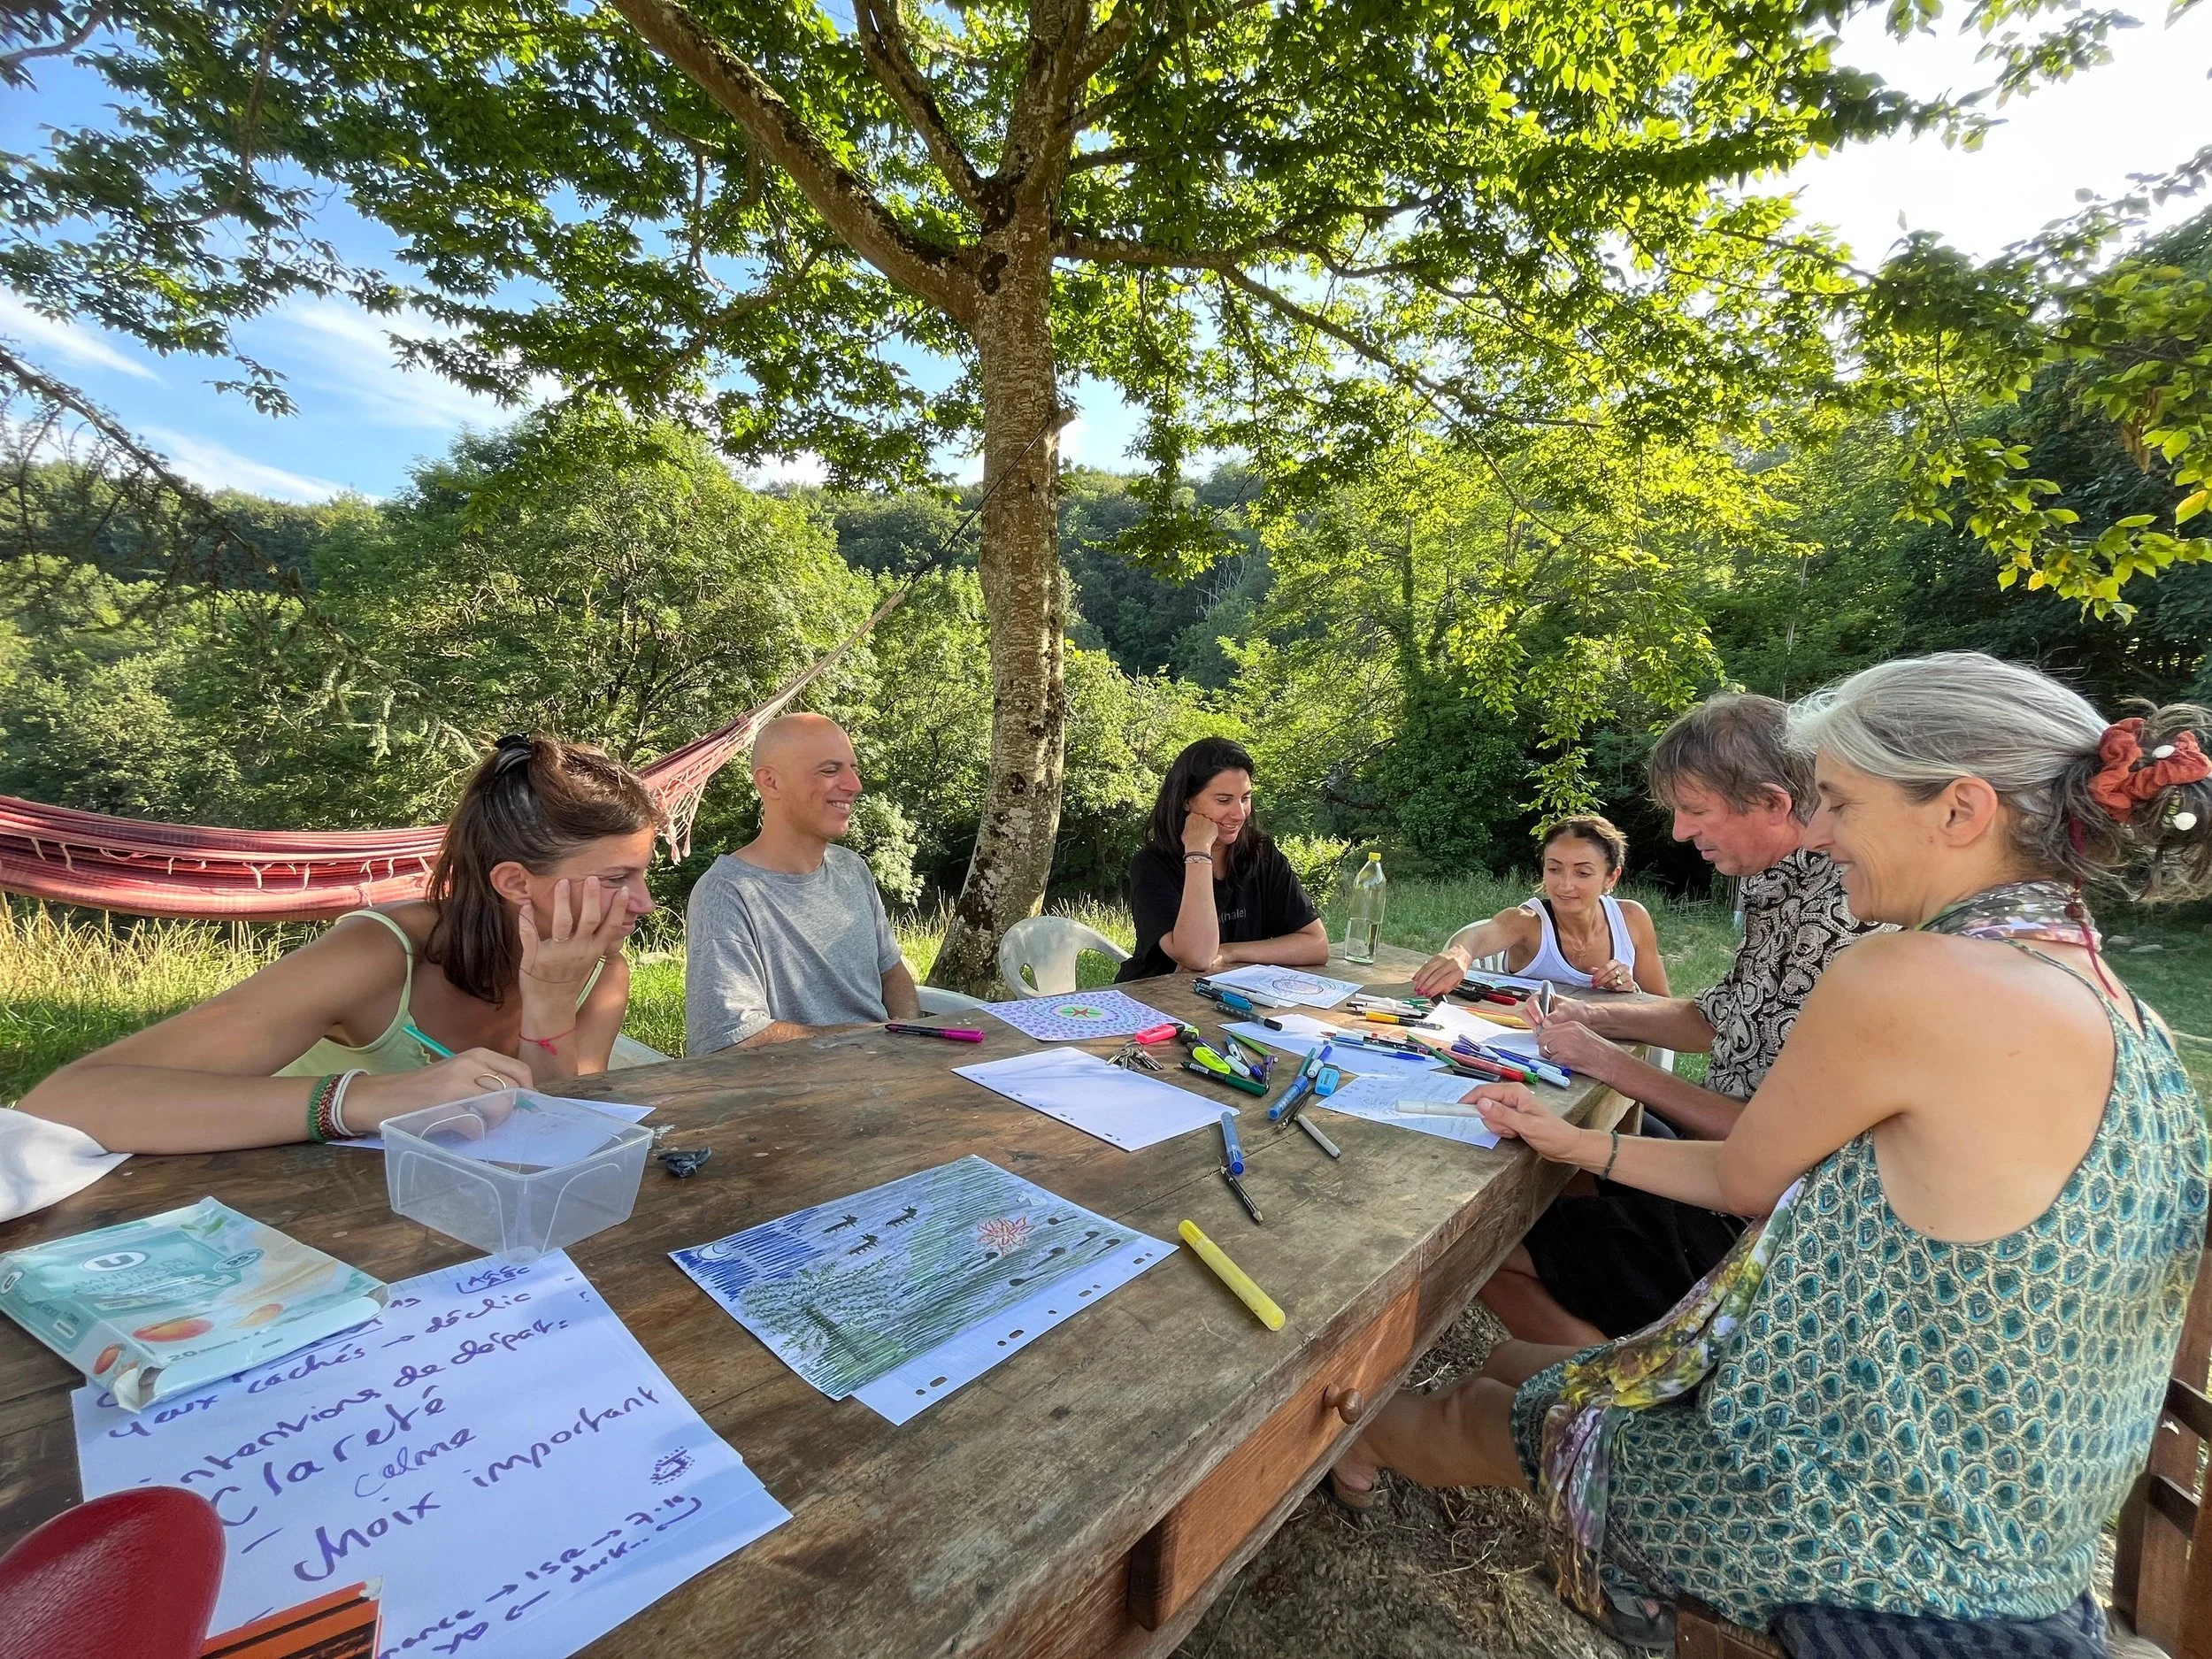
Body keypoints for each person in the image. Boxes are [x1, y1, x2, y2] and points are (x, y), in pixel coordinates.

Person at [1331, 653, 2211, 1646]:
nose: (1820, 830)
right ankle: (1394, 1433)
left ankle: (1333, 1430)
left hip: (1861, 1532)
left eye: (1839, 802)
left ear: (1960, 810)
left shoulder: (1913, 971)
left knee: (1500, 1406)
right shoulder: (2125, 1009)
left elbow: (1745, 1174)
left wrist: (1571, 1137)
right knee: (1521, 1364)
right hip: (2017, 1534)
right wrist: (1575, 1122)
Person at [20, 734, 661, 1153]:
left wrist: (547, 1003)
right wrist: (374, 1098)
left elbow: (548, 1133)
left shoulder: (599, 969)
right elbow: (67, 1102)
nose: (645, 904)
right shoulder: (380, 954)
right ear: (515, 883)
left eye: (642, 876)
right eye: (616, 879)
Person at [1475, 696, 1881, 1346]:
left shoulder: (1839, 914)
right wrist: (1592, 1015)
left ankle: (1615, 1388)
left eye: (1694, 809)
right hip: (1727, 1167)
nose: (1680, 832)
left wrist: (1610, 1062)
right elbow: (1715, 1018)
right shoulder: (1783, 884)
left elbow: (1770, 1140)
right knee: (1570, 1173)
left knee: (1490, 1241)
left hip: (1762, 1226)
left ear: (1774, 803)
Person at [685, 713, 919, 1053]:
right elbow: (734, 1039)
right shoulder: (727, 892)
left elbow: (893, 972)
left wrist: (907, 1034)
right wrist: (868, 1037)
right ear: (770, 782)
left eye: (853, 769)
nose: (854, 785)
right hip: (797, 1082)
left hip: (885, 1067)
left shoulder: (852, 869)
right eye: (830, 770)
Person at [1116, 737, 1330, 981]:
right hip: (1155, 997)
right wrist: (1198, 850)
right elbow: (1198, 957)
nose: (1239, 814)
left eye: (1245, 798)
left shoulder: (1261, 854)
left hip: (1232, 994)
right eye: (1224, 800)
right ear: (1187, 801)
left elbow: (1316, 944)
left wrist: (1229, 952)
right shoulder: (1152, 865)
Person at [1410, 815, 1665, 997]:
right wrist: (1460, 954)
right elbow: (1477, 937)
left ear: (1611, 877)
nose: (1565, 885)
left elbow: (1663, 1006)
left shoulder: (1631, 919)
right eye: (1554, 869)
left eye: (1583, 873)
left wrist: (1631, 991)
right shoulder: (1528, 922)